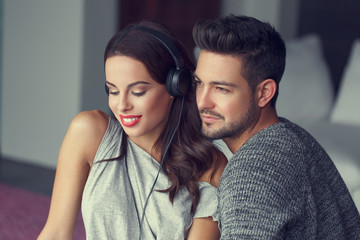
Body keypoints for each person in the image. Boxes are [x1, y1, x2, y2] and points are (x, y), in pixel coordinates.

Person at [37, 21, 227, 240]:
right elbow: (56, 232)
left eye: (137, 92)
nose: (122, 105)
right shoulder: (88, 132)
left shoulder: (209, 164)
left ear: (176, 86)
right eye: (113, 91)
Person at [192, 14, 360, 239]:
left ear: (264, 93)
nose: (202, 102)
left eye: (221, 89)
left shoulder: (253, 172)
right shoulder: (292, 136)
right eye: (199, 83)